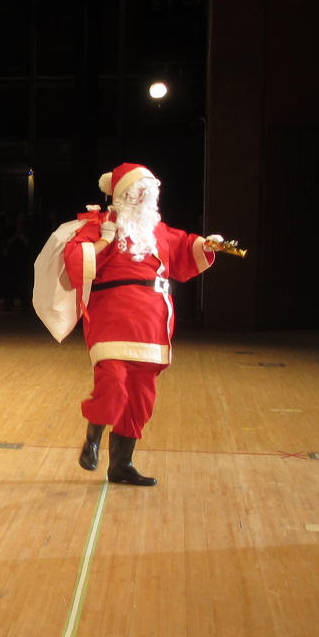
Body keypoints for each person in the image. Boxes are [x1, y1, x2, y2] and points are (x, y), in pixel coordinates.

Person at [42, 163, 223, 486]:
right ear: (122, 195)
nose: (143, 197)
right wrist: (104, 241)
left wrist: (206, 245)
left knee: (141, 396)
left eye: (147, 192)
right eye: (137, 191)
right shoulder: (100, 226)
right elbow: (75, 264)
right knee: (112, 381)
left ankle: (122, 464)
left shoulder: (159, 230)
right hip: (112, 315)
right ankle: (93, 440)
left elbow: (184, 250)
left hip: (152, 320)